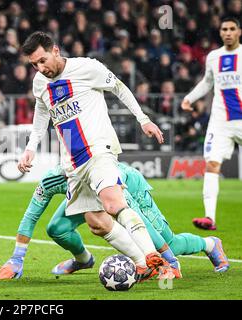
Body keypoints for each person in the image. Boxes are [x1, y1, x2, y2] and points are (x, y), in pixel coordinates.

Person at [17, 31, 171, 282]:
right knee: (96, 223)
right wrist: (30, 147)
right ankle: (143, 264)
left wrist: (143, 119)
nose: (40, 68)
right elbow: (41, 115)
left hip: (99, 150)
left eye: (43, 60)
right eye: (34, 64)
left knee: (112, 203)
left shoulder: (87, 67)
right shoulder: (39, 82)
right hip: (73, 163)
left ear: (55, 50)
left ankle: (151, 254)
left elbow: (119, 88)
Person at [0, 163, 230, 280]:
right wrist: (17, 257)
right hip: (84, 195)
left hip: (130, 187)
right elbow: (31, 215)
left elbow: (140, 224)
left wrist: (168, 261)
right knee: (57, 228)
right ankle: (83, 260)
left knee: (171, 243)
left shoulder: (111, 181)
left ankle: (210, 244)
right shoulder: (53, 180)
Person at [181, 17, 242, 230]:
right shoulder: (214, 57)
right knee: (212, 164)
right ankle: (209, 217)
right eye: (224, 29)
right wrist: (190, 98)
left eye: (232, 29)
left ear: (239, 32)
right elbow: (207, 82)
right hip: (221, 122)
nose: (228, 32)